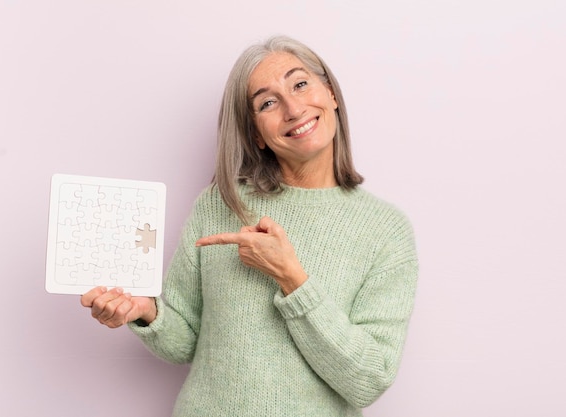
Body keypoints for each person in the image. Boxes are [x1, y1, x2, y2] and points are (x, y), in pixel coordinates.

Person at [80, 35, 418, 417]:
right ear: (256, 134)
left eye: (301, 83)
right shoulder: (220, 204)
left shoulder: (386, 231)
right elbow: (185, 343)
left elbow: (369, 379)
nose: (293, 108)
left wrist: (292, 278)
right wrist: (147, 311)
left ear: (331, 93)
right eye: (268, 102)